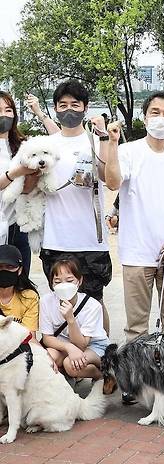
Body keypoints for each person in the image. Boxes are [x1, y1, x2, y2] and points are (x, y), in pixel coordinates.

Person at [4, 80, 113, 332]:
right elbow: (27, 189)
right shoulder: (46, 144)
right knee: (61, 303)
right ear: (55, 108)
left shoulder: (96, 141)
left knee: (94, 304)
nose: (69, 110)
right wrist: (31, 173)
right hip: (55, 240)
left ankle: (102, 351)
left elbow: (109, 178)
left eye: (75, 104)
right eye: (63, 105)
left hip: (91, 241)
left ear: (85, 107)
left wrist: (106, 138)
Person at [105, 91, 164, 345]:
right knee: (136, 328)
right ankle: (137, 372)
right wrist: (112, 143)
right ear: (145, 117)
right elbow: (113, 182)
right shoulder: (128, 151)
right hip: (137, 253)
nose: (161, 118)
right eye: (155, 112)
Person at [40, 255, 110, 380]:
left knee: (71, 364)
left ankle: (101, 375)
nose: (63, 285)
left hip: (92, 346)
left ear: (79, 280)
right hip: (64, 343)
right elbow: (47, 338)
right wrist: (69, 347)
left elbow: (81, 345)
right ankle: (67, 379)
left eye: (69, 280)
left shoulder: (92, 305)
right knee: (48, 357)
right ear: (52, 283)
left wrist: (70, 319)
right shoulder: (46, 301)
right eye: (57, 281)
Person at [0, 92, 33, 270]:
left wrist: (33, 174)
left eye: (8, 110)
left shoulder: (23, 145)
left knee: (21, 280)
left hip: (17, 225)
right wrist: (14, 173)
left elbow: (27, 189)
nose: (4, 115)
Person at [0, 243, 39, 332]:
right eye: (0, 267)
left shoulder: (29, 298)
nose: (4, 271)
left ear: (20, 270)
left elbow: (29, 336)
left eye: (10, 267)